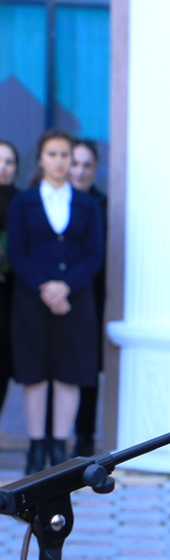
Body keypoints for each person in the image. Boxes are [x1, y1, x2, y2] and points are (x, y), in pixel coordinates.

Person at [6, 130, 103, 474]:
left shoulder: (88, 204)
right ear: (40, 159)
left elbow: (94, 254)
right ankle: (36, 449)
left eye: (65, 155)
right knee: (35, 374)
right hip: (32, 301)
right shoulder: (24, 202)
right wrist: (45, 288)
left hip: (74, 303)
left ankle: (60, 449)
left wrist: (65, 287)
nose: (60, 162)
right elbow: (17, 252)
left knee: (68, 374)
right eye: (53, 154)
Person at [68, 139, 109, 458]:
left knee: (86, 369)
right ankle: (50, 443)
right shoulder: (43, 200)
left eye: (87, 165)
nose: (80, 171)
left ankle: (84, 439)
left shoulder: (101, 205)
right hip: (46, 297)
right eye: (75, 163)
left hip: (89, 296)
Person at [0, 140, 20, 419]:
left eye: (9, 162)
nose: (2, 168)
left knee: (3, 364)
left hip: (11, 296)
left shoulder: (23, 201)